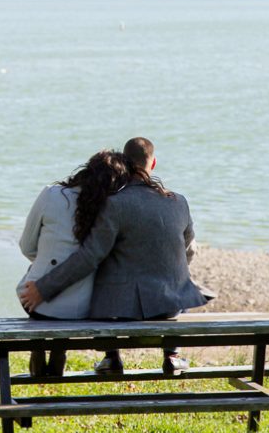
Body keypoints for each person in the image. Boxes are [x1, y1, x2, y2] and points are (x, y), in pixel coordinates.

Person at [20, 137, 209, 375]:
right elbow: (188, 249)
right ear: (153, 164)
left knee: (108, 268)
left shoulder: (114, 204)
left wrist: (44, 288)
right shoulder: (179, 201)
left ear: (125, 166)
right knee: (180, 283)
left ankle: (112, 357)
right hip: (170, 306)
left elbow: (90, 256)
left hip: (120, 312)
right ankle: (172, 354)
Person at [17, 150, 131, 376]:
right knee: (80, 286)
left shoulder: (52, 195)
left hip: (36, 302)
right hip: (82, 308)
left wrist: (42, 261)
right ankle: (60, 348)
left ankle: (38, 346)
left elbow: (26, 246)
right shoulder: (112, 209)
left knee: (34, 274)